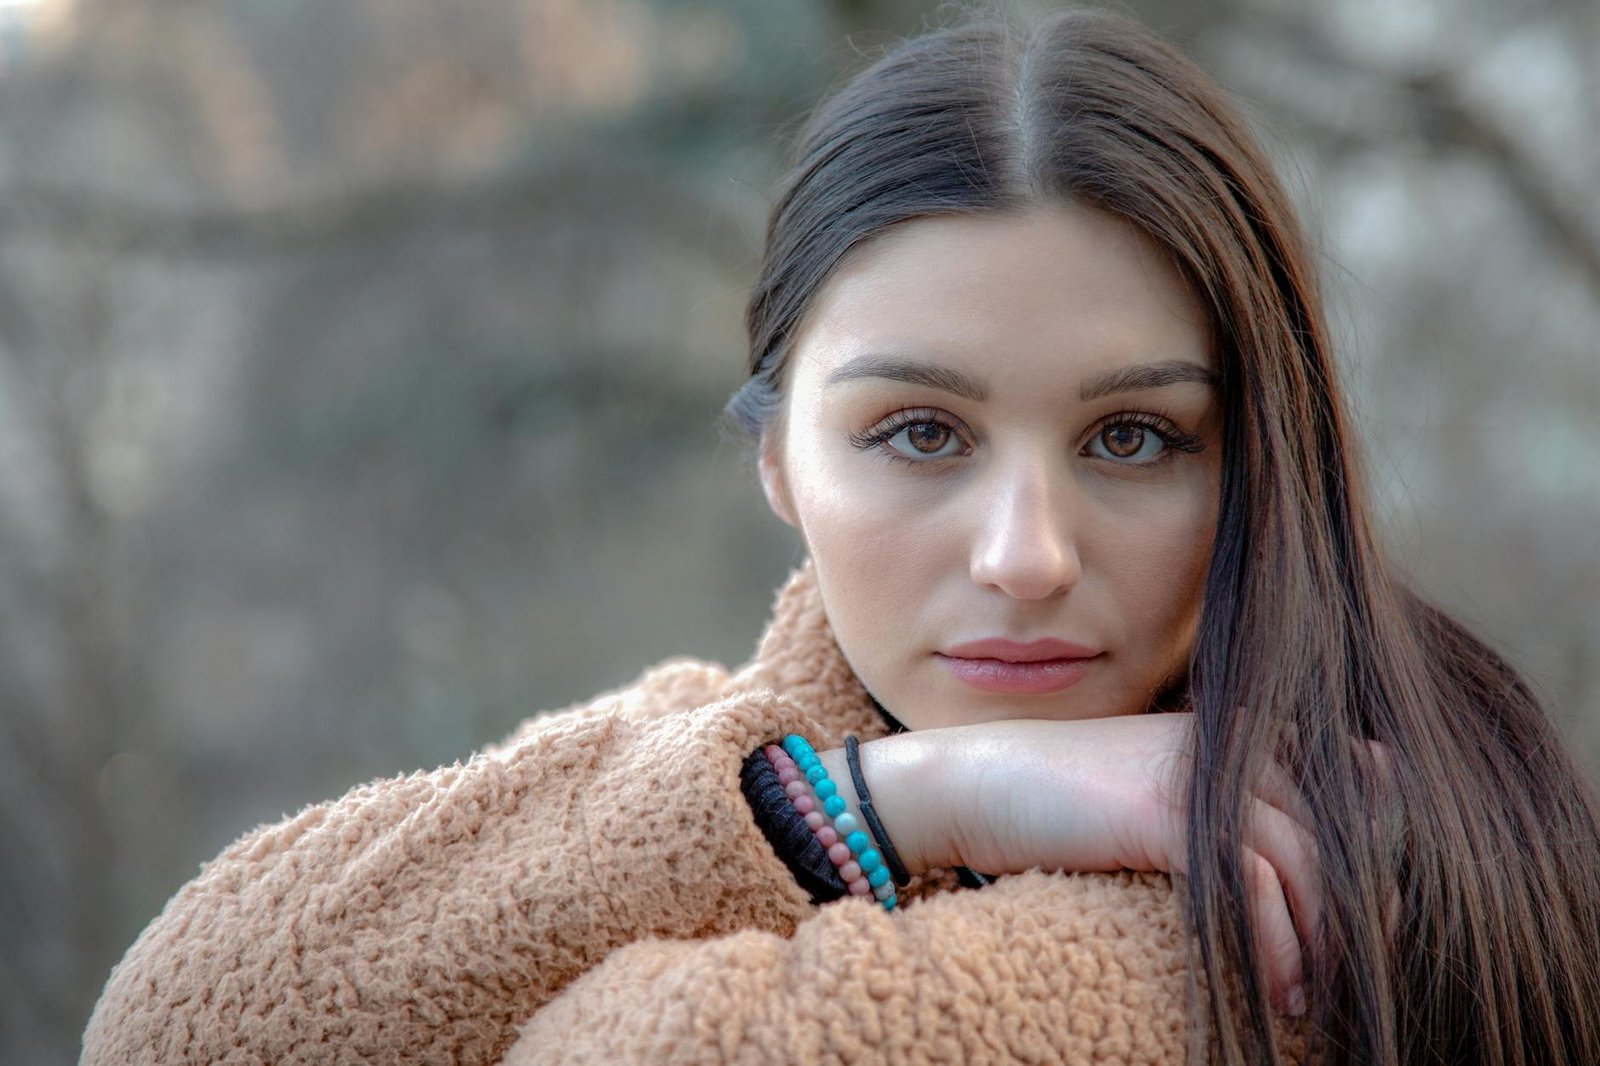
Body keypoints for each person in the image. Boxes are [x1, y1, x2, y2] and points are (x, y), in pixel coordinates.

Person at [81, 6, 1600, 1065]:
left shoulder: (1359, 868)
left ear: (1263, 460)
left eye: (1133, 438)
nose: (1025, 554)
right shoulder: (725, 758)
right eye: (920, 432)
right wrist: (908, 797)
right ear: (778, 460)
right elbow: (170, 1021)